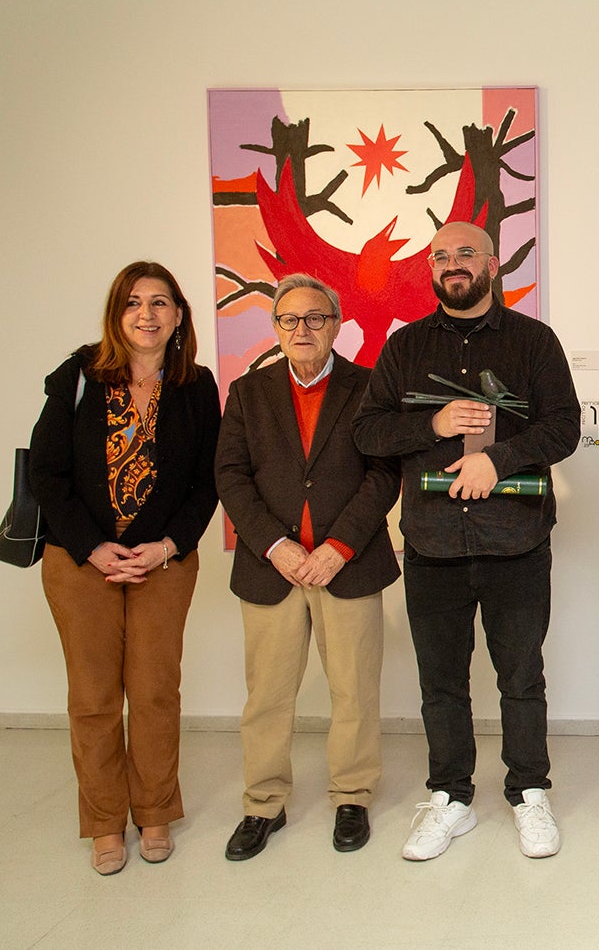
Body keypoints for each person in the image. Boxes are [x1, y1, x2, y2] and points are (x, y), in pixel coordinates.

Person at [354, 221, 580, 862]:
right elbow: (368, 434)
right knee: (441, 682)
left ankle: (530, 792)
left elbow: (564, 427)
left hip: (517, 542)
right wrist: (433, 421)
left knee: (520, 676)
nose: (453, 264)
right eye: (441, 256)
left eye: (465, 254)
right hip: (431, 544)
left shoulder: (534, 342)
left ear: (491, 264)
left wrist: (498, 459)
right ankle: (451, 798)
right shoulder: (403, 348)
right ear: (431, 269)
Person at [29, 261, 220, 875]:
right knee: (93, 696)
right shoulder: (79, 376)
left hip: (163, 562)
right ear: (117, 313)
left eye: (160, 302)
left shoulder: (196, 385)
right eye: (134, 302)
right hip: (81, 562)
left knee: (155, 691)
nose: (147, 314)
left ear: (179, 315)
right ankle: (105, 823)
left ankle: (156, 811)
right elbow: (47, 473)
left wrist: (167, 546)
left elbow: (207, 483)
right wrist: (91, 545)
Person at [215, 274, 401, 860]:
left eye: (315, 318)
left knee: (354, 691)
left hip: (346, 565)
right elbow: (231, 476)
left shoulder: (370, 388)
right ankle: (262, 804)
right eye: (289, 319)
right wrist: (276, 545)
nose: (303, 329)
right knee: (267, 696)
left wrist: (338, 546)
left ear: (336, 323)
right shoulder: (247, 393)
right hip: (272, 568)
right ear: (274, 328)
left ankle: (352, 795)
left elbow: (383, 474)